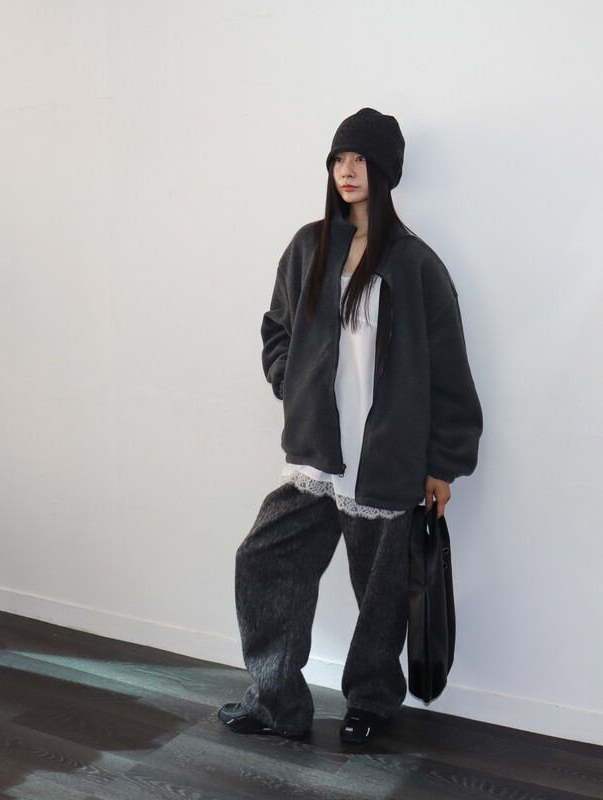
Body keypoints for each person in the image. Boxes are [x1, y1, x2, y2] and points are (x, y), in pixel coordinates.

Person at [218, 108, 482, 743]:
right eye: (339, 159)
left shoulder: (416, 264)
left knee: (380, 596)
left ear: (384, 171)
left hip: (385, 458)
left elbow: (450, 368)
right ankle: (277, 704)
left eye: (359, 159)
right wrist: (291, 385)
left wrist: (443, 464)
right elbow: (277, 327)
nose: (347, 170)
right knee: (263, 560)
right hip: (317, 455)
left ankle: (371, 702)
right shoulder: (308, 247)